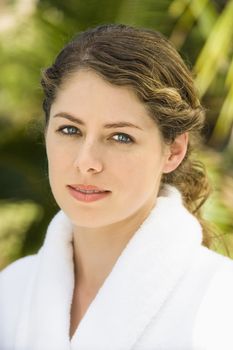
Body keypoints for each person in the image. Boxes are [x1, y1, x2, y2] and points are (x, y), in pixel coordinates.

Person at [0, 24, 233, 350]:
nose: (87, 161)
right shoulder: (11, 291)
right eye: (70, 130)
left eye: (120, 136)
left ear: (174, 151)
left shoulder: (220, 301)